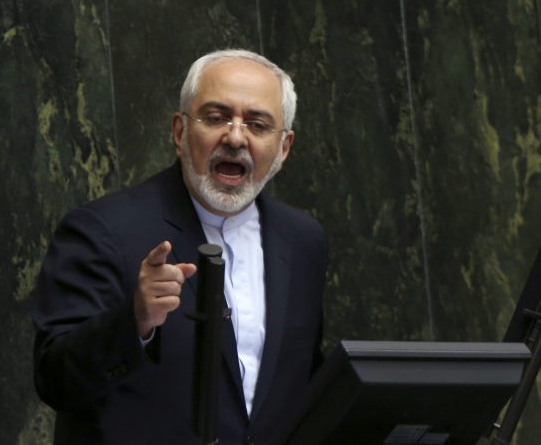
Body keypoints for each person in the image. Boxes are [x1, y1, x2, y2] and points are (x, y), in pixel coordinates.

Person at [32, 49, 328, 445]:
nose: (235, 137)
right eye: (217, 117)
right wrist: (133, 320)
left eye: (257, 124)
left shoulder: (303, 240)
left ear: (284, 148)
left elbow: (304, 385)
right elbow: (55, 379)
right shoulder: (103, 231)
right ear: (180, 131)